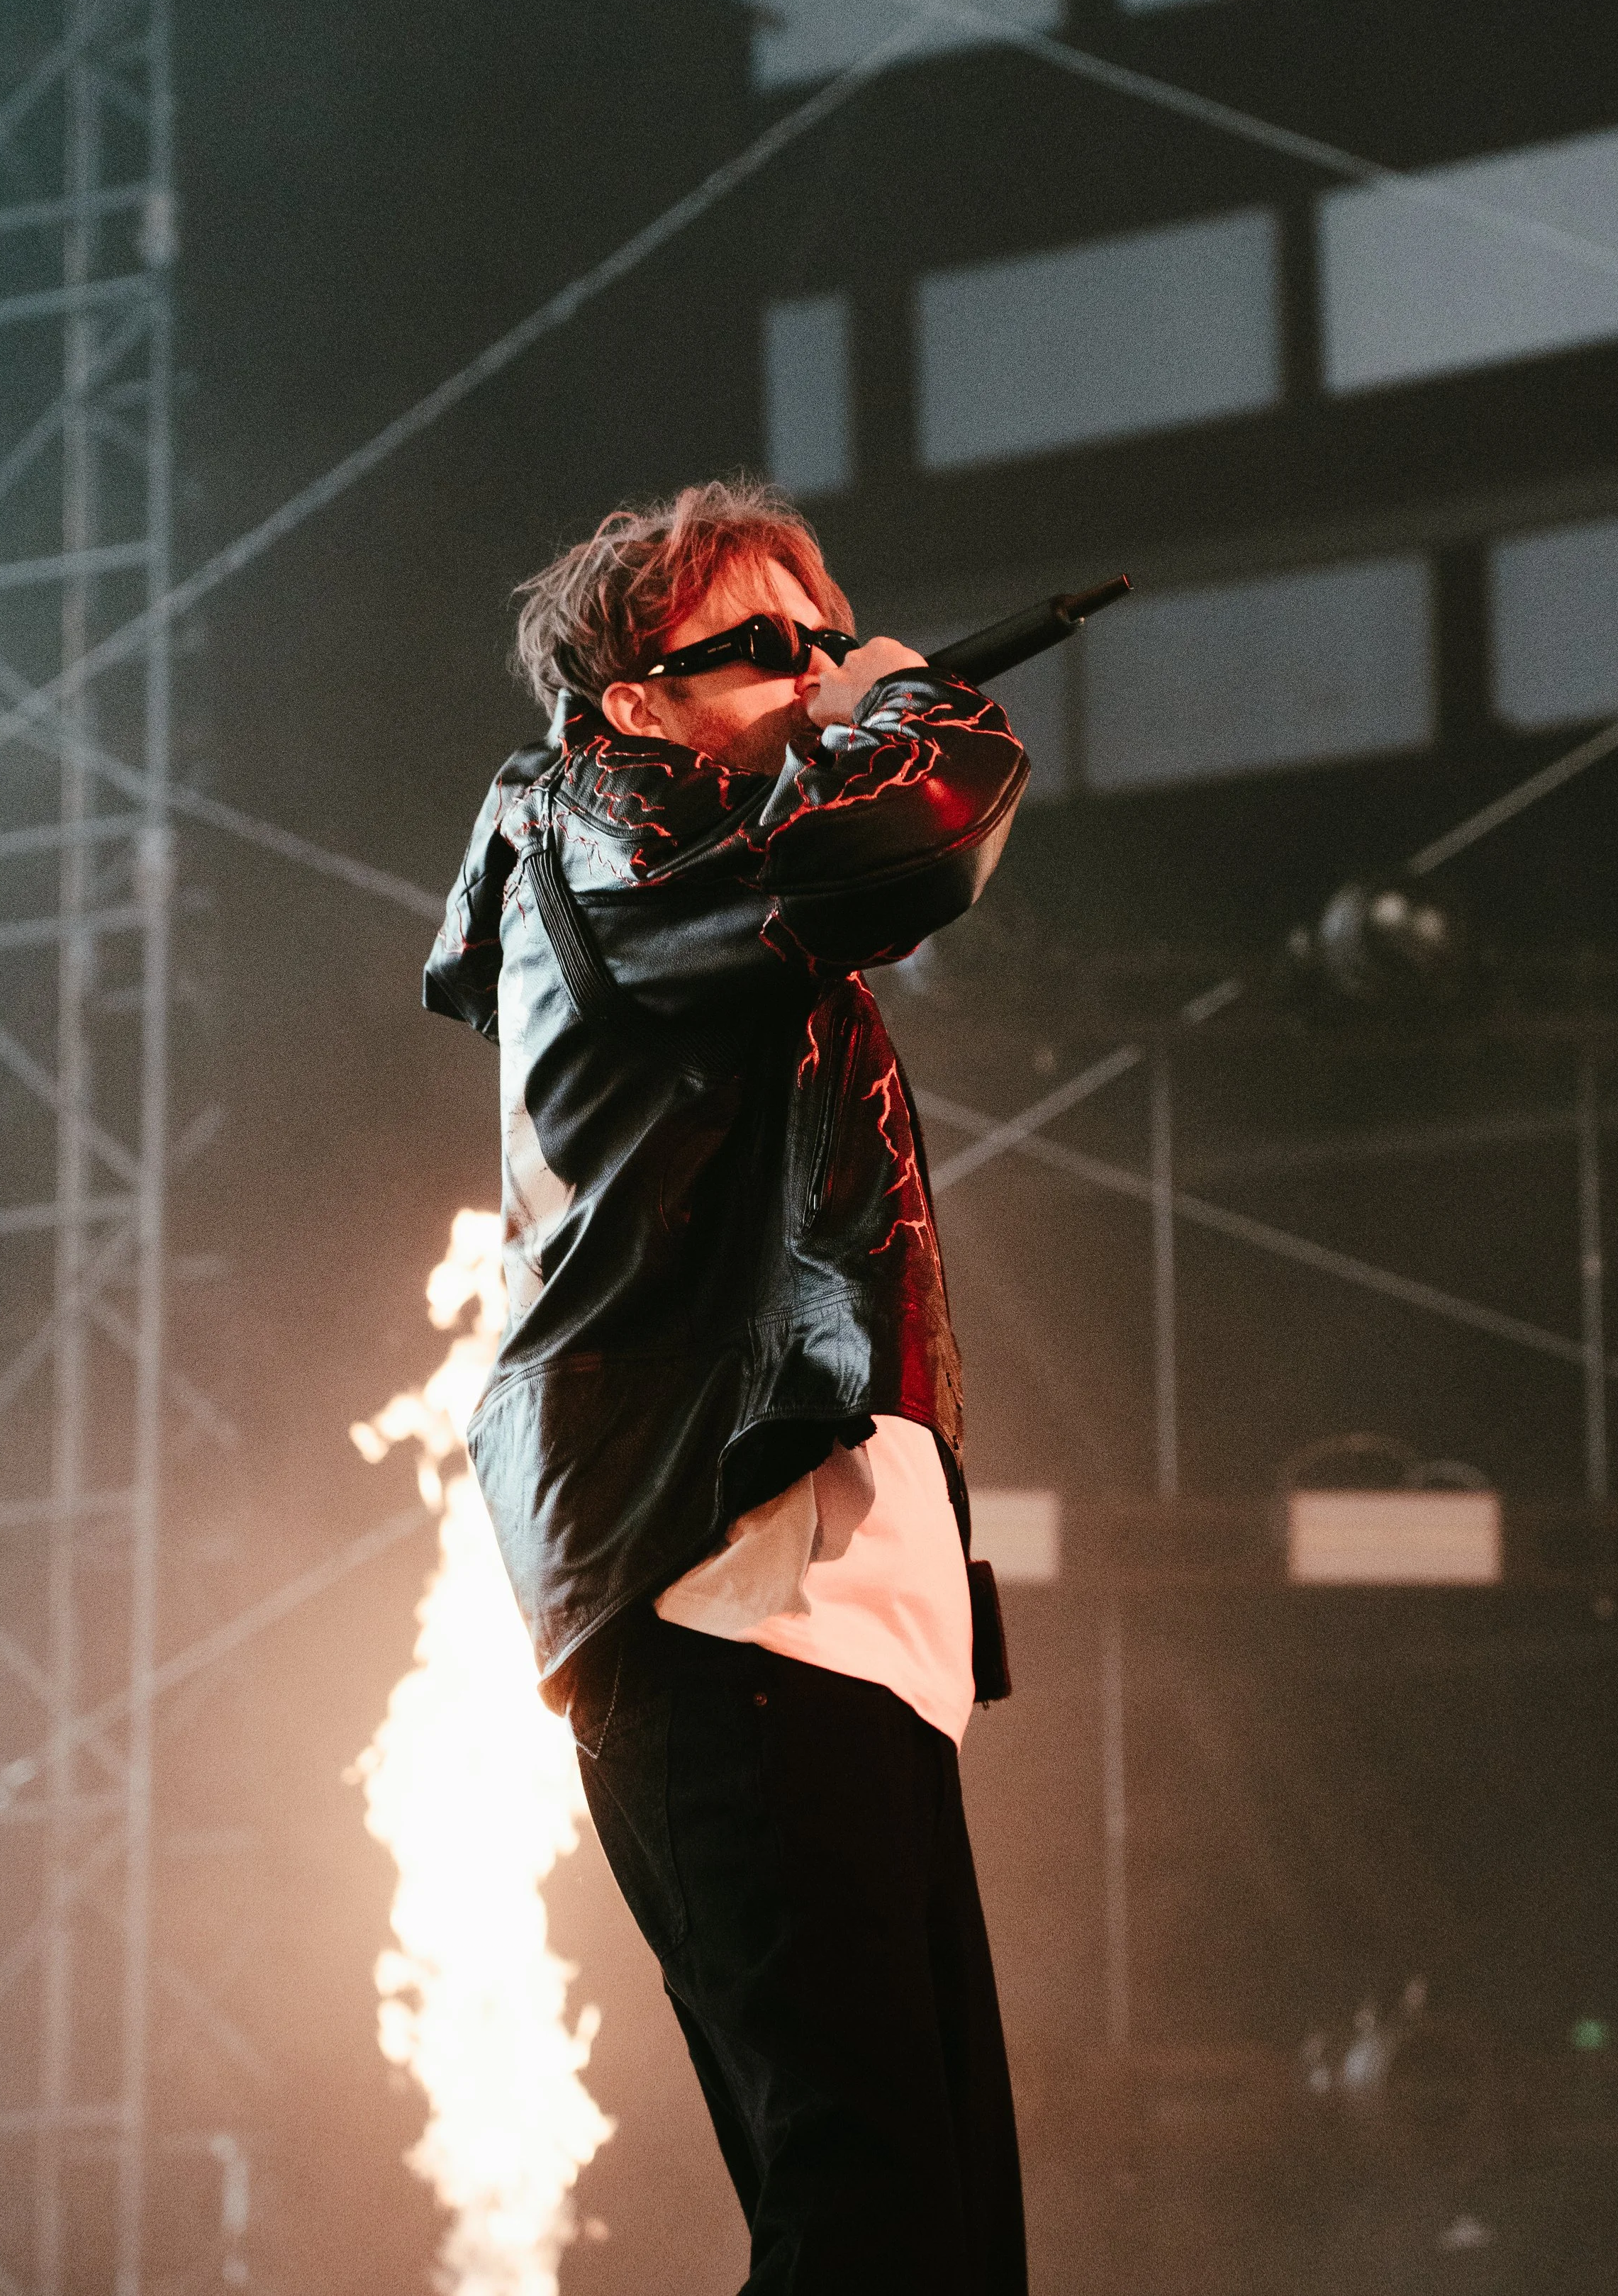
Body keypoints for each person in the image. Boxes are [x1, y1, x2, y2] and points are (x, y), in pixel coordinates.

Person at [424, 476, 1031, 2293]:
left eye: (829, 640)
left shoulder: (705, 880)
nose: (820, 675)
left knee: (936, 2245)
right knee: (868, 2225)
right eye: (763, 650)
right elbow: (903, 836)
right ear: (633, 704)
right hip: (725, 1590)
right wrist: (912, 710)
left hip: (839, 1618)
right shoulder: (594, 822)